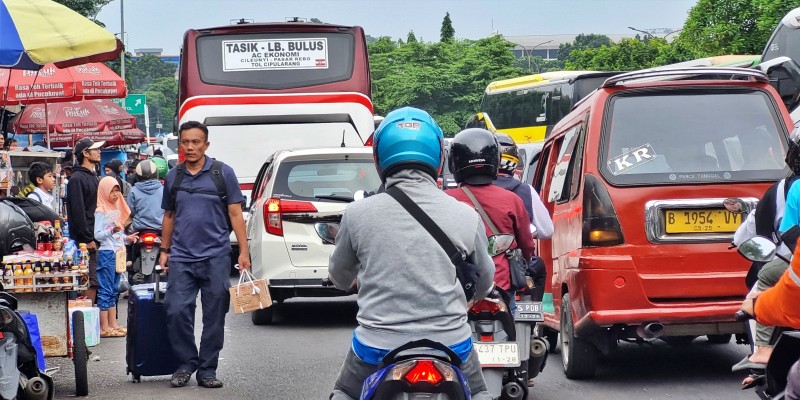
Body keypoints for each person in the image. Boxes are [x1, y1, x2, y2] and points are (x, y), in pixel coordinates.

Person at [328, 107, 495, 400]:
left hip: (377, 344)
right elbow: (485, 282)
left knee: (343, 393)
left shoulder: (357, 214)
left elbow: (340, 278)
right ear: (439, 159)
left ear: (379, 159)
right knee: (481, 394)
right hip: (451, 343)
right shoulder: (466, 215)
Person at [159, 121, 249, 389]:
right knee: (175, 310)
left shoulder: (223, 173)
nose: (190, 147)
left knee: (214, 316)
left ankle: (207, 369)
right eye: (185, 142)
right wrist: (164, 250)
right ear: (180, 145)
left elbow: (235, 214)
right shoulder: (174, 177)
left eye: (196, 142)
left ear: (206, 145)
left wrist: (244, 251)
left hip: (216, 257)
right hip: (182, 258)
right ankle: (186, 363)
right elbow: (169, 216)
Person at [445, 128, 535, 299]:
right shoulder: (512, 199)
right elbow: (527, 245)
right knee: (511, 318)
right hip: (501, 284)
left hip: (460, 285)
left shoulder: (446, 200)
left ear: (454, 162)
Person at [492, 133, 553, 302]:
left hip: (481, 267)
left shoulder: (469, 191)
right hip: (518, 265)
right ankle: (533, 315)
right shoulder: (526, 191)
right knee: (538, 267)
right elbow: (547, 230)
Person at [93, 176, 137, 338]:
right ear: (104, 191)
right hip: (107, 254)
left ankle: (113, 324)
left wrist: (127, 238)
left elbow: (116, 235)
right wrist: (111, 231)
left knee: (113, 290)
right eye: (112, 191)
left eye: (117, 190)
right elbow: (98, 235)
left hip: (117, 253)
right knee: (105, 290)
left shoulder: (114, 209)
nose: (116, 194)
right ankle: (104, 328)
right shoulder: (101, 211)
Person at [66, 138, 105, 304]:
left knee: (97, 280)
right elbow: (78, 211)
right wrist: (87, 238)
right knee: (90, 280)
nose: (99, 151)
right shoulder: (77, 179)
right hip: (87, 240)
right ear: (86, 154)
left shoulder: (93, 176)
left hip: (98, 235)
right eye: (95, 149)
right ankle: (86, 321)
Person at [128, 159, 164, 233]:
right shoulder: (163, 189)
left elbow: (130, 211)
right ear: (156, 173)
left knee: (124, 239)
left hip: (138, 228)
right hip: (161, 227)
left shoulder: (133, 190)